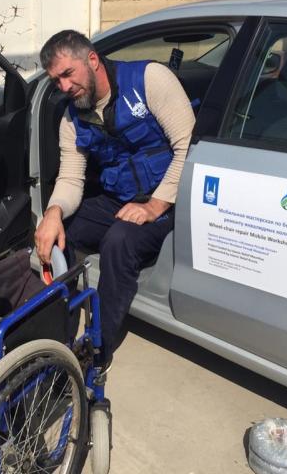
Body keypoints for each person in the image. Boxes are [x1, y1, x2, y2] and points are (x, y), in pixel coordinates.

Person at [34, 30, 194, 365]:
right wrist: (53, 212)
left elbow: (188, 148)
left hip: (169, 200)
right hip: (118, 197)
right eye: (56, 80)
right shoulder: (72, 118)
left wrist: (155, 206)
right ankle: (57, 335)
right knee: (64, 232)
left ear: (92, 60)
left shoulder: (150, 80)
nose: (64, 86)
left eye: (68, 74)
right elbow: (71, 177)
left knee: (119, 241)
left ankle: (97, 350)